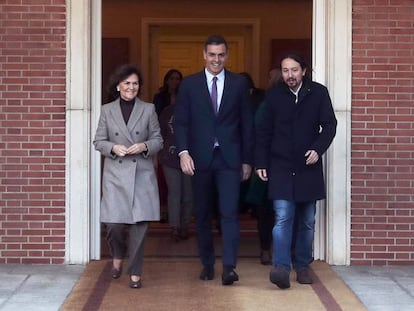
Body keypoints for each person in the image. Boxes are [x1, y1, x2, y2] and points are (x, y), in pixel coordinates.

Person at [173, 35, 254, 286]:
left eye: (221, 55)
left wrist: (247, 160)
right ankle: (207, 263)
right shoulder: (189, 85)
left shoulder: (239, 83)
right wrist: (183, 152)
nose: (216, 59)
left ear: (226, 56)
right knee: (203, 213)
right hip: (200, 159)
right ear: (204, 55)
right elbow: (181, 122)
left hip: (230, 159)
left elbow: (247, 124)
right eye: (212, 54)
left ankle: (229, 267)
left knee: (229, 213)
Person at [255, 52, 337, 289]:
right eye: (285, 70)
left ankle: (302, 265)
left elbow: (330, 125)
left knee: (307, 221)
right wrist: (261, 162)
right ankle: (281, 267)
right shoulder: (274, 95)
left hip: (307, 166)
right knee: (282, 218)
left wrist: (318, 149)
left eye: (294, 70)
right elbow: (263, 131)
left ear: (304, 70)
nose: (289, 75)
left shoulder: (318, 93)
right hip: (280, 165)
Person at [93, 64, 163, 289]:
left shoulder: (149, 109)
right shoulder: (107, 110)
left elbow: (158, 140)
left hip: (141, 174)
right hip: (115, 174)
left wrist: (143, 145)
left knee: (139, 227)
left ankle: (135, 272)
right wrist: (113, 148)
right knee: (113, 224)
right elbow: (98, 141)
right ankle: (117, 256)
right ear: (118, 86)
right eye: (127, 83)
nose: (131, 87)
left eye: (135, 83)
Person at [158, 74, 193, 242]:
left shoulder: (197, 112)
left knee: (188, 194)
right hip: (170, 158)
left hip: (191, 159)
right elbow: (161, 135)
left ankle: (184, 225)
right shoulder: (167, 112)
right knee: (174, 193)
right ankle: (174, 227)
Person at [153, 69, 184, 223]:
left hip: (185, 153)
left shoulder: (188, 106)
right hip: (167, 149)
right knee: (169, 188)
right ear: (166, 80)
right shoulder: (160, 99)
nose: (175, 81)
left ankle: (181, 221)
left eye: (177, 78)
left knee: (186, 192)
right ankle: (170, 217)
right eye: (172, 78)